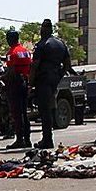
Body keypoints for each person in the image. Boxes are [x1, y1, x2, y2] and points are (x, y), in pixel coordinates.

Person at [30, 19, 72, 150]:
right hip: (54, 79)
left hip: (43, 79)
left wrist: (30, 84)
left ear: (44, 29)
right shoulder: (61, 44)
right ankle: (47, 138)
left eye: (42, 28)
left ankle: (47, 139)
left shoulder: (42, 44)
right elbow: (67, 64)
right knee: (49, 107)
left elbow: (34, 66)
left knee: (44, 110)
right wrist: (59, 76)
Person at [4, 29, 33, 149]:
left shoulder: (11, 53)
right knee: (24, 113)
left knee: (16, 113)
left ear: (10, 39)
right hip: (25, 82)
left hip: (15, 84)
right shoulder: (26, 51)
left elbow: (11, 72)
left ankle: (20, 139)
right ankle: (27, 139)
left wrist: (2, 78)